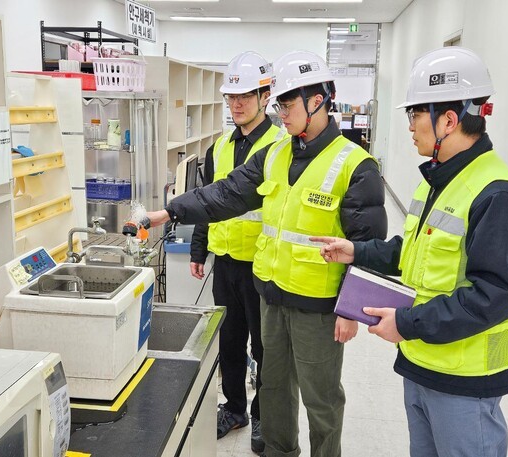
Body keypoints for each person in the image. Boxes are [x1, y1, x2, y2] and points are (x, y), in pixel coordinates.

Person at [147, 50, 387, 457]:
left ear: (318, 101)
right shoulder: (275, 154)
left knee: (321, 400)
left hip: (318, 306)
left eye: (288, 104)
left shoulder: (355, 165)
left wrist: (351, 311)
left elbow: (369, 245)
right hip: (272, 295)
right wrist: (170, 211)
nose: (282, 113)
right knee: (274, 389)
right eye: (280, 104)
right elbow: (224, 193)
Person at [313, 46, 508, 457]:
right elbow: (414, 251)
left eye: (416, 114)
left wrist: (408, 322)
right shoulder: (439, 180)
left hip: (465, 381)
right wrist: (356, 252)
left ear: (448, 120)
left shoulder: (498, 194)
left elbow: (495, 296)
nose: (410, 126)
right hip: (424, 362)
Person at [190, 51, 285, 455]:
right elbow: (208, 201)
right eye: (231, 97)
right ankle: (234, 408)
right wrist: (199, 248)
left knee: (265, 349)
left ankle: (264, 414)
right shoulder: (218, 148)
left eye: (245, 95)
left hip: (264, 265)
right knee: (229, 343)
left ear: (266, 95)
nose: (237, 104)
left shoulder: (283, 147)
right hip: (226, 262)